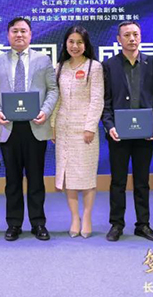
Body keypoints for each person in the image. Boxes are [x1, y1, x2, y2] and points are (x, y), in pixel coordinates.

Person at [0, 17, 59, 241]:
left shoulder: (43, 60)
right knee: (12, 180)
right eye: (15, 31)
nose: (19, 35)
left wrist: (45, 111)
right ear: (8, 35)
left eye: (23, 31)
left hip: (35, 126)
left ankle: (38, 223)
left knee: (36, 179)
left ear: (30, 35)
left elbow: (53, 89)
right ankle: (14, 224)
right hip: (8, 127)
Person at [101, 21, 153, 242]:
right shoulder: (109, 65)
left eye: (135, 34)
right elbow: (105, 101)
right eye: (126, 35)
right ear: (119, 39)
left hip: (144, 133)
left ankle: (143, 225)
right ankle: (116, 224)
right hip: (118, 133)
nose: (132, 39)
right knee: (118, 181)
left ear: (141, 36)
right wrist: (109, 126)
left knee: (142, 182)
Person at [51, 25, 104, 238]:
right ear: (65, 44)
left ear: (86, 45)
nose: (75, 46)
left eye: (79, 42)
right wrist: (53, 126)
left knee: (86, 175)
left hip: (85, 130)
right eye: (71, 42)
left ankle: (87, 217)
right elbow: (56, 100)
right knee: (68, 176)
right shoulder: (59, 67)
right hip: (64, 128)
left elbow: (97, 100)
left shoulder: (94, 67)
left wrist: (90, 127)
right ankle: (74, 217)